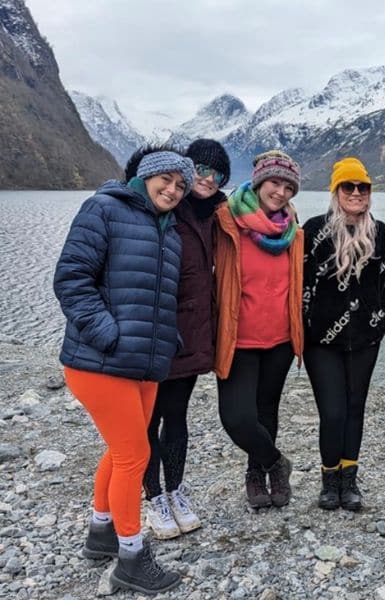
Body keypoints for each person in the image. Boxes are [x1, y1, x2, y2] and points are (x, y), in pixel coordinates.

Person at [53, 146, 194, 594]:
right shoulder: (104, 209)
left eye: (181, 185)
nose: (173, 190)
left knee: (120, 452)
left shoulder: (170, 233)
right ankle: (132, 556)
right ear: (146, 177)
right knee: (136, 455)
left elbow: (156, 299)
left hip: (144, 364)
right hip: (100, 361)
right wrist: (105, 333)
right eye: (166, 180)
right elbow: (71, 278)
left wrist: (167, 339)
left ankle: (102, 533)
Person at [140, 139, 230, 538]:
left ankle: (175, 491)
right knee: (147, 419)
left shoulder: (217, 215)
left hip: (192, 335)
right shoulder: (161, 209)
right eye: (201, 169)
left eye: (217, 173)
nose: (207, 179)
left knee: (176, 416)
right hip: (152, 332)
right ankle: (153, 495)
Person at [303, 157, 385, 511]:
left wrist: (383, 321)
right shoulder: (314, 231)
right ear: (336, 192)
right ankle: (329, 480)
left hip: (366, 338)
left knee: (356, 407)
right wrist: (304, 325)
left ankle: (349, 481)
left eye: (363, 187)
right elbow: (301, 283)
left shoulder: (381, 233)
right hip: (322, 340)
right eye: (348, 187)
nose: (356, 193)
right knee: (333, 411)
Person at [214, 150, 304, 509]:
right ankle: (275, 462)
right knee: (237, 418)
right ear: (258, 182)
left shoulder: (294, 233)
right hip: (238, 338)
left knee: (267, 410)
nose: (280, 192)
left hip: (280, 339)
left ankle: (258, 474)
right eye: (274, 183)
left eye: (288, 187)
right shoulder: (225, 222)